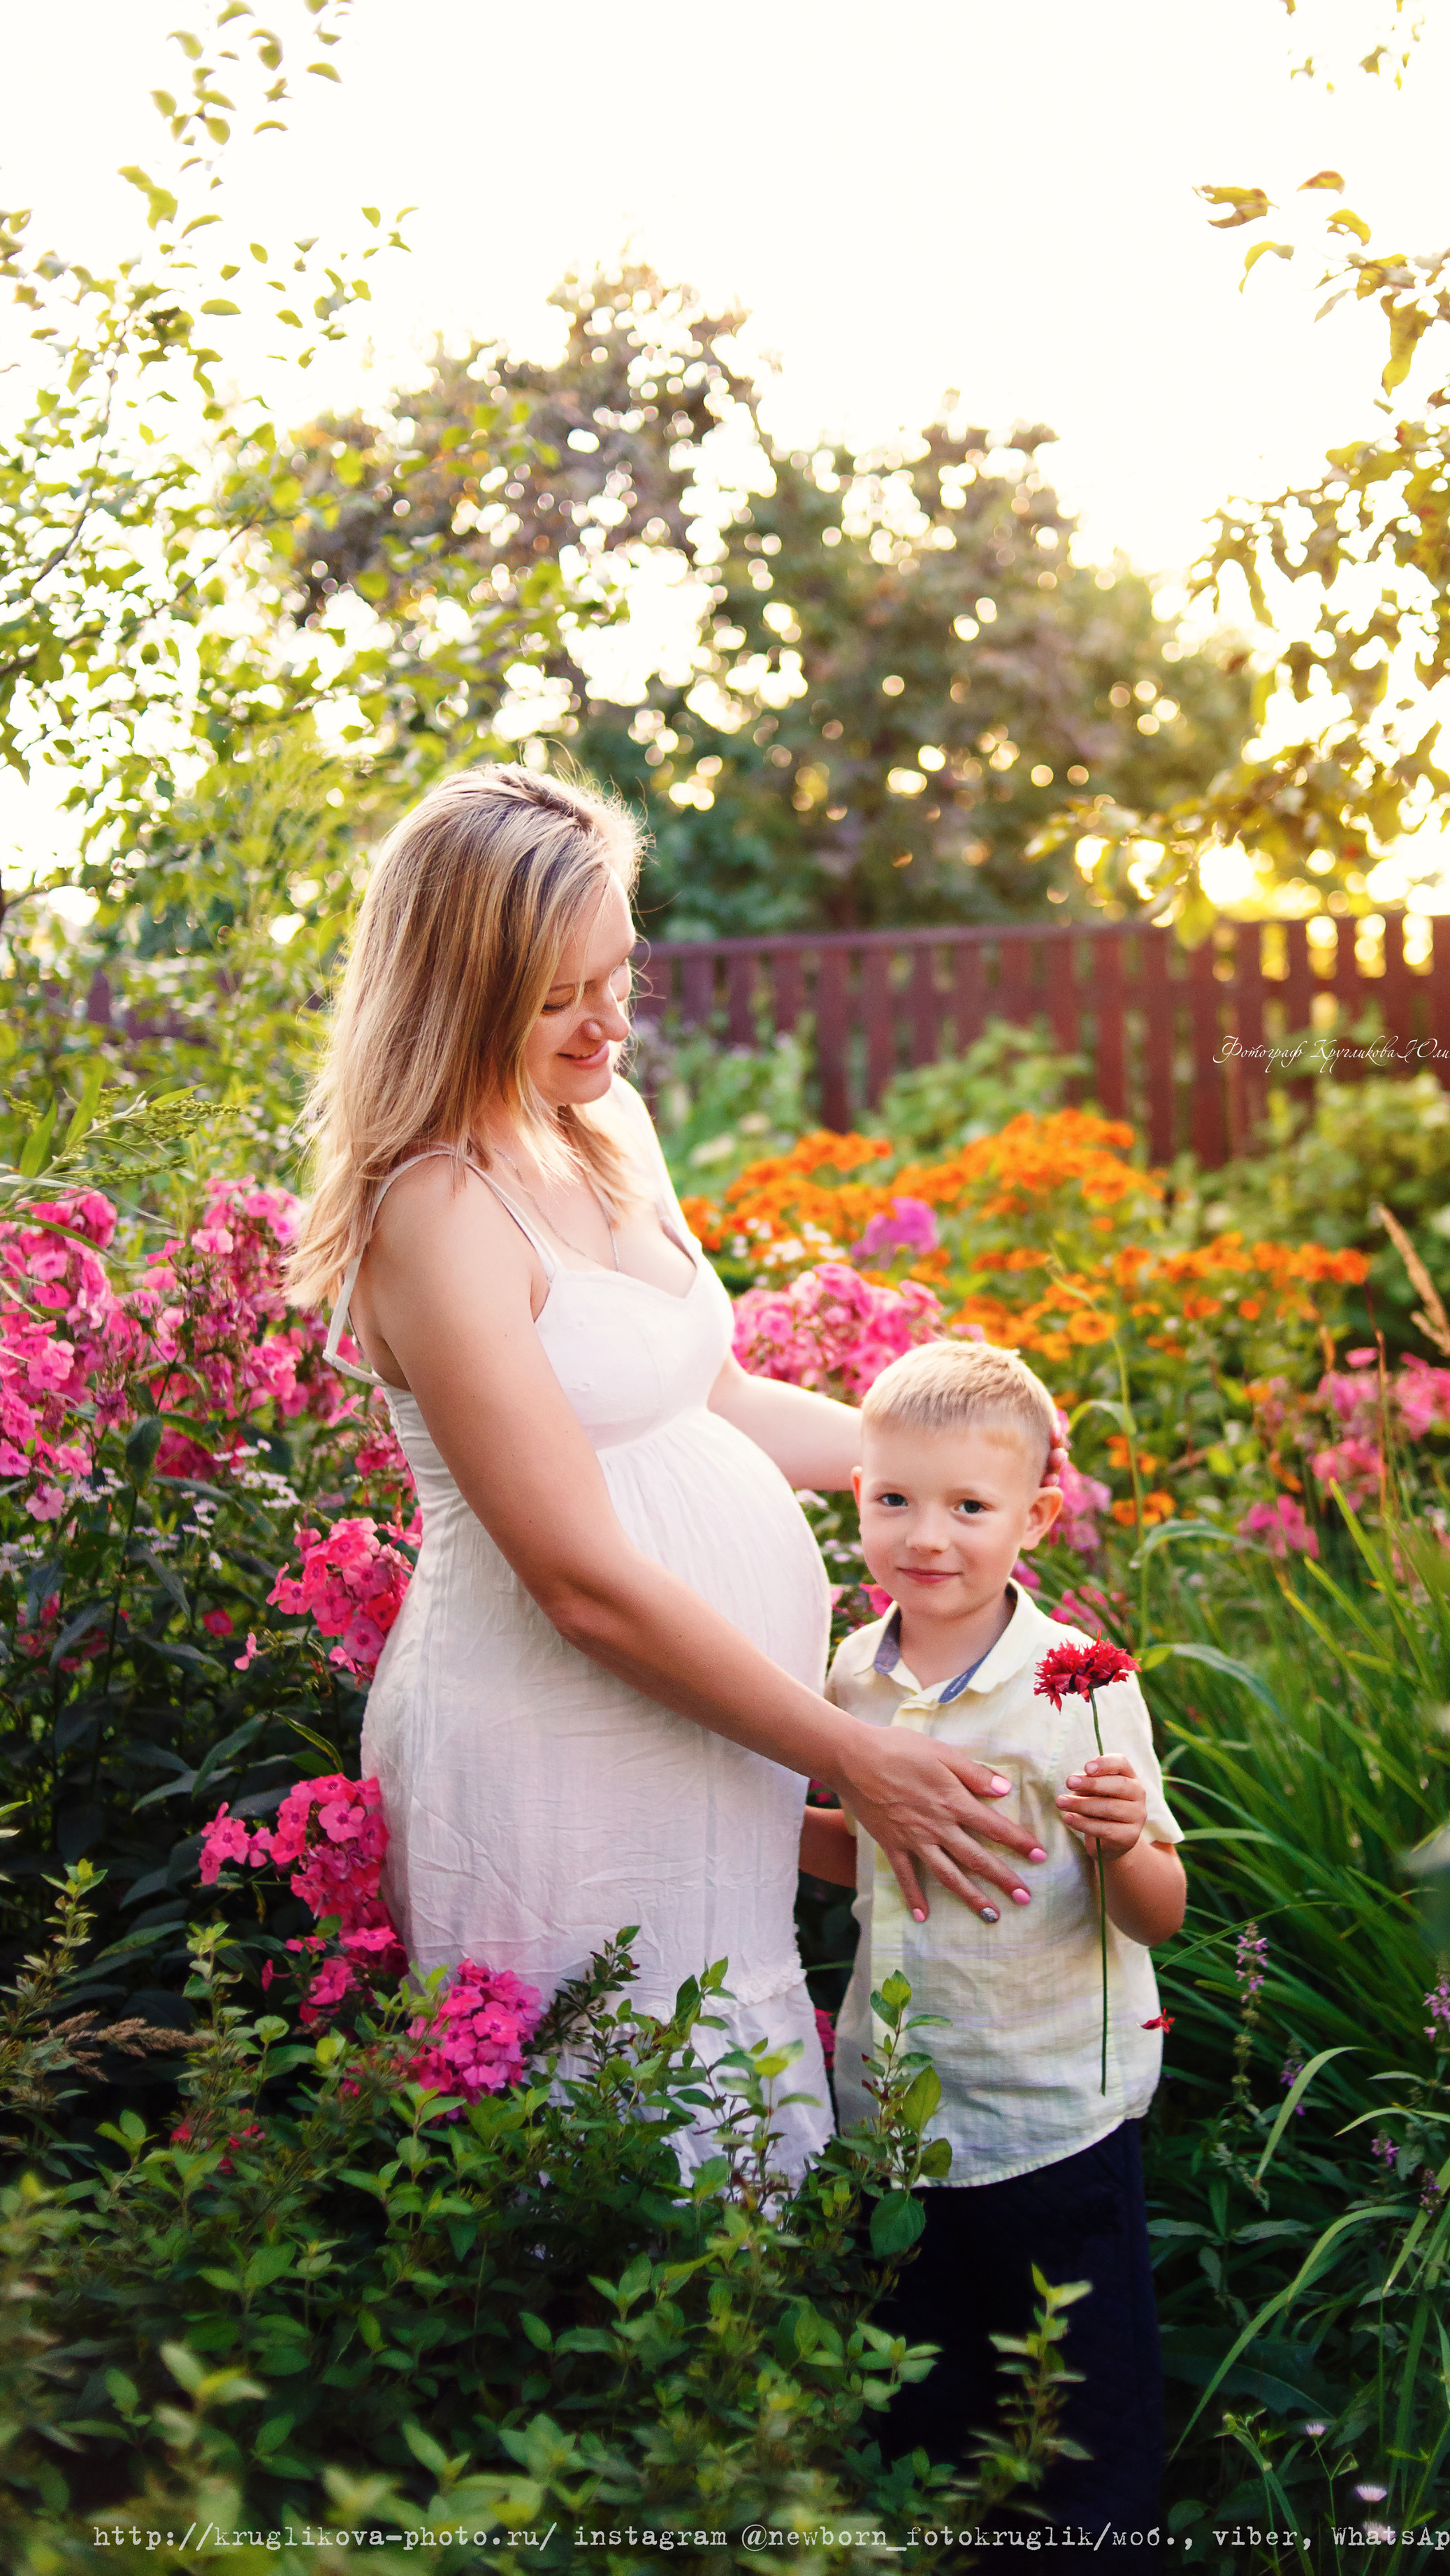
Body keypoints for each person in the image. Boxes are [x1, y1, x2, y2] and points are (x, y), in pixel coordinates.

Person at [287, 764, 1047, 2178]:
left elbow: (715, 1397)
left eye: (618, 973)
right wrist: (850, 1758)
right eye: (559, 994)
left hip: (704, 1736)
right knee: (606, 2147)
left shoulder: (605, 1127)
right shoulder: (439, 1207)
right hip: (554, 1746)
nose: (606, 1021)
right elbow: (578, 1583)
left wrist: (982, 1470)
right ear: (459, 987)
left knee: (732, 2104)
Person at [800, 1339, 1185, 2542]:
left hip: (1047, 2118)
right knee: (931, 2416)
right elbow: (866, 1854)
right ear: (858, 1499)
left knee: (1077, 2438)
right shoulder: (852, 1676)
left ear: (1038, 1517)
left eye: (971, 1507)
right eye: (896, 1500)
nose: (930, 1536)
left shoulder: (1077, 1683)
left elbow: (1158, 1911)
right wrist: (740, 1828)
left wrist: (1128, 1845)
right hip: (899, 2116)